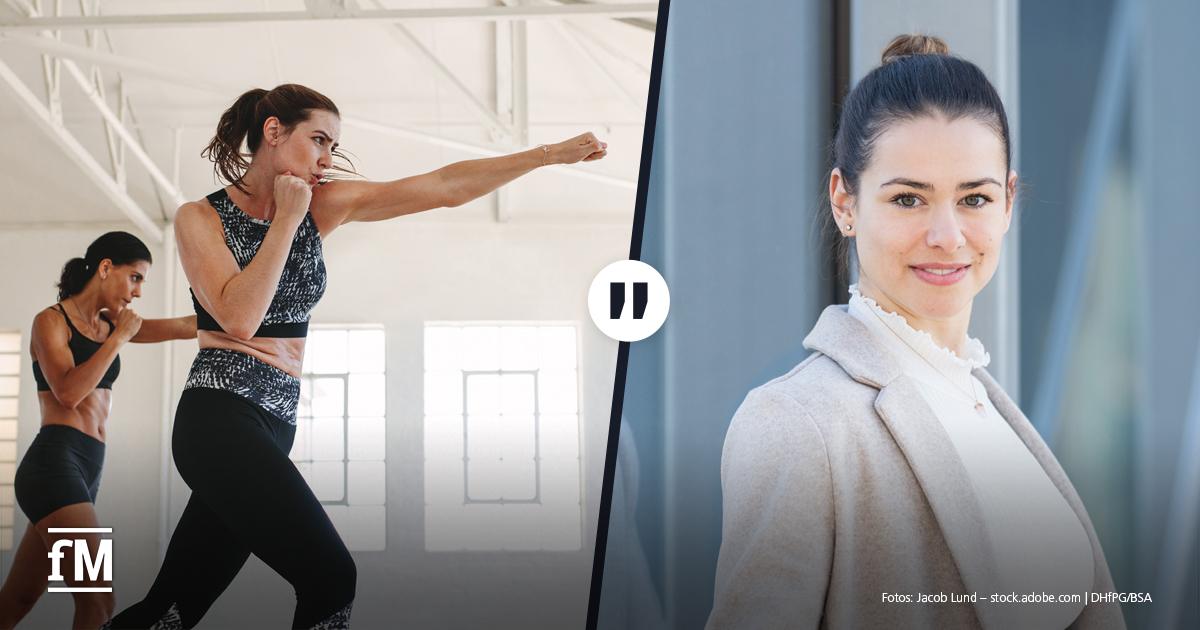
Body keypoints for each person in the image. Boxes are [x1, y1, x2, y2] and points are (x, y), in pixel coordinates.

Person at [108, 83, 607, 630]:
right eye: (318, 140)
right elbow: (239, 318)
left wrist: (548, 156)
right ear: (273, 132)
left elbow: (442, 186)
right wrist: (286, 221)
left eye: (332, 147)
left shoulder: (323, 203)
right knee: (330, 577)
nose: (326, 159)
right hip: (218, 419)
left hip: (275, 424)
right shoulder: (199, 217)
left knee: (171, 611)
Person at [707, 35, 1125, 630]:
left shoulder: (988, 409)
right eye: (908, 199)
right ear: (845, 203)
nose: (947, 236)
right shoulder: (797, 425)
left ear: (1007, 201)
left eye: (974, 198)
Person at [0, 231, 196, 630]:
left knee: (18, 598)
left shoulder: (110, 326)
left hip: (87, 472)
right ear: (106, 268)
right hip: (54, 467)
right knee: (99, 599)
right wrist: (121, 336)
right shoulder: (51, 321)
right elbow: (69, 392)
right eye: (136, 277)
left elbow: (183, 326)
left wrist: (248, 312)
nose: (138, 292)